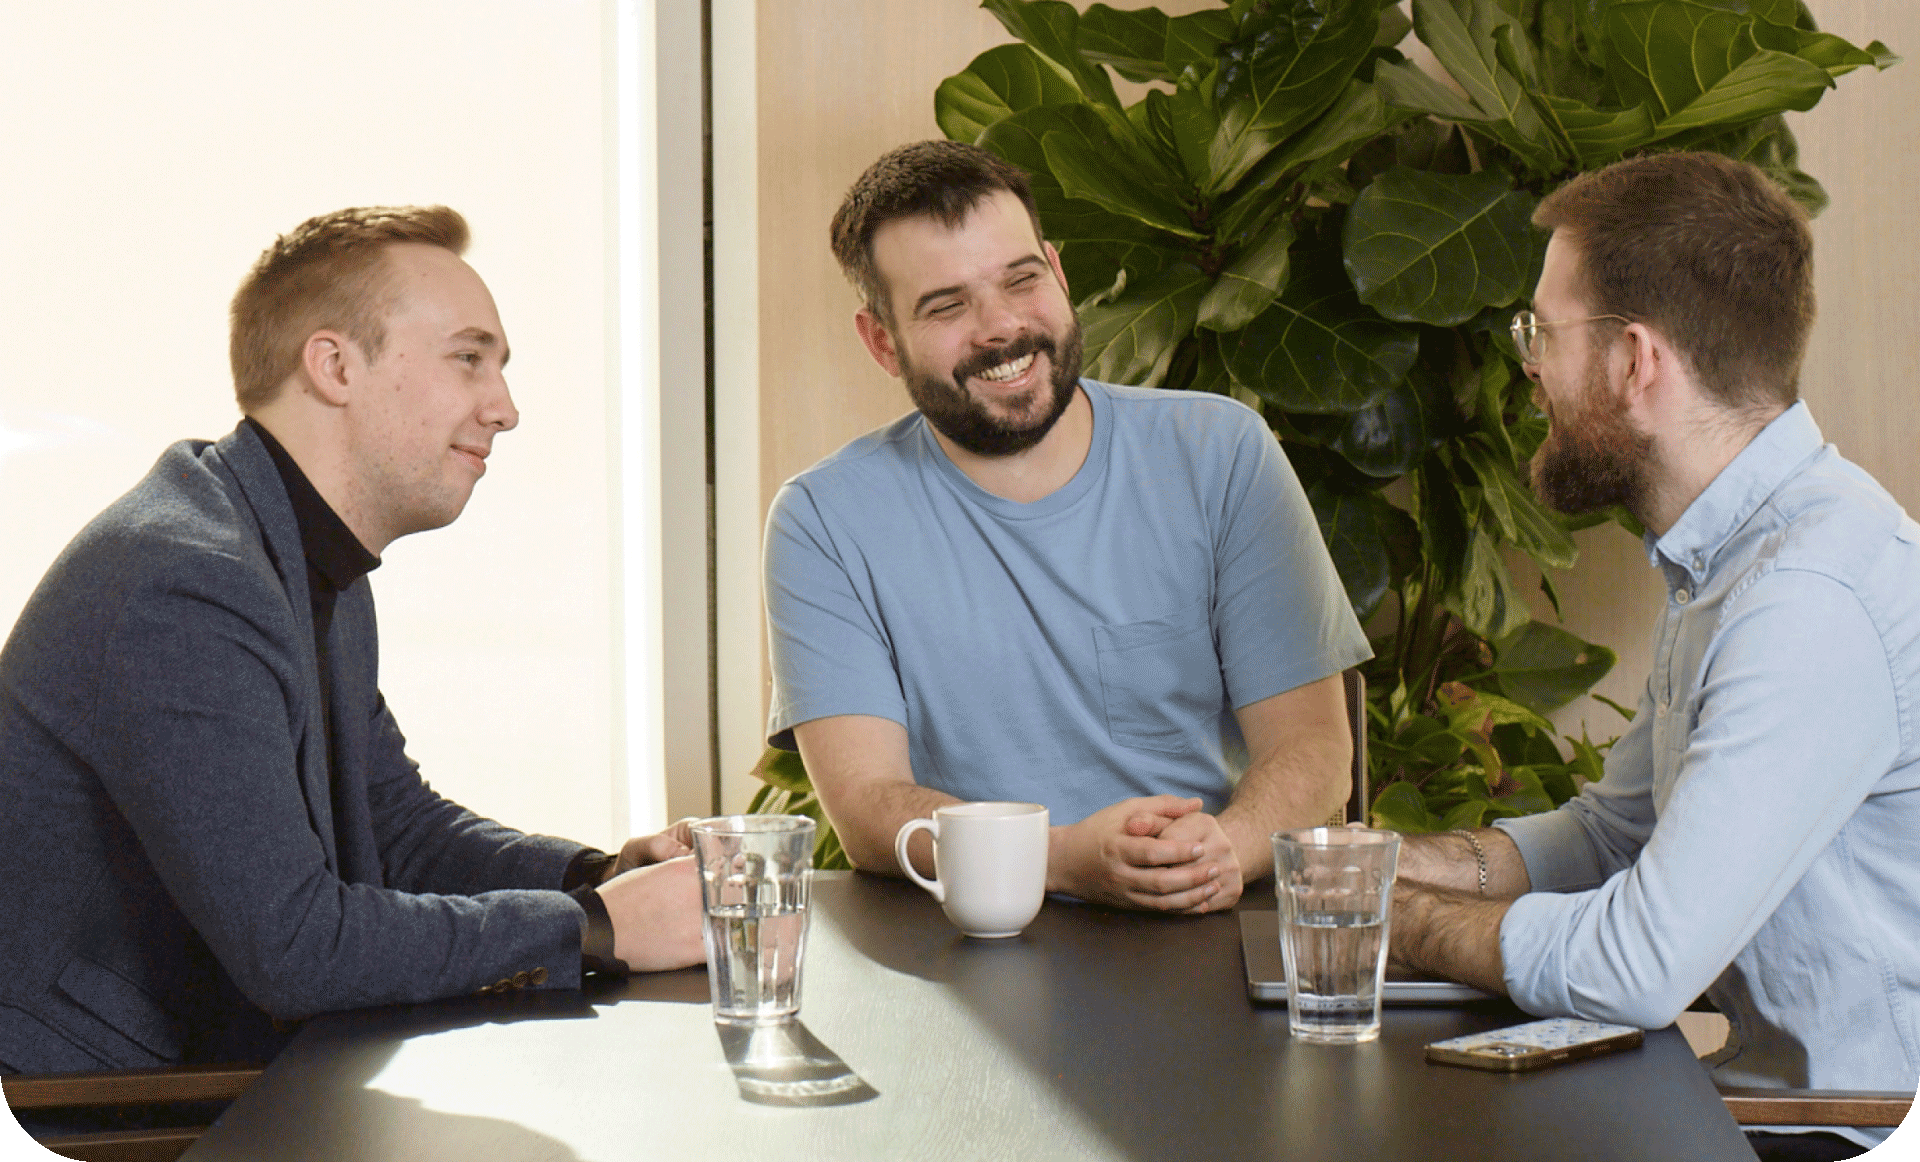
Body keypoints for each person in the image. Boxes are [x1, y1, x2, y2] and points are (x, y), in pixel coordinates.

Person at [0, 206, 704, 1076]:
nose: (506, 407)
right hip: (96, 1104)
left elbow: (397, 828)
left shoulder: (296, 552)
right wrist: (598, 927)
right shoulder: (183, 583)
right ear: (334, 365)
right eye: (469, 358)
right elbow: (294, 947)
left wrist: (592, 877)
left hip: (224, 1073)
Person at [1384, 153, 1919, 1158]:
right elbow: (1612, 835)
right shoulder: (1727, 556)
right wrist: (1381, 867)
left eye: (1542, 333)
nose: (1528, 365)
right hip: (1746, 1110)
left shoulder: (1805, 598)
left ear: (1637, 360)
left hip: (1836, 1129)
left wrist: (1403, 926)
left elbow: (1640, 964)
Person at [763, 140, 1372, 914]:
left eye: (1022, 279)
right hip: (968, 949)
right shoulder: (823, 521)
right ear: (883, 341)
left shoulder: (1222, 452)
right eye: (946, 306)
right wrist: (1060, 858)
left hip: (1208, 920)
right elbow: (866, 805)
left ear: (1058, 270)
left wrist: (1224, 851)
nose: (1001, 327)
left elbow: (1314, 750)